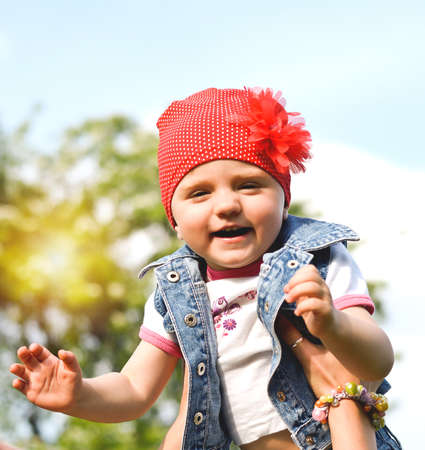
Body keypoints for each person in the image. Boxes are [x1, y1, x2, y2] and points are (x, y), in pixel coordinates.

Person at [9, 87, 401, 449]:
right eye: (199, 193)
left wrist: (333, 323)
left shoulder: (317, 259)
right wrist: (80, 396)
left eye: (249, 185)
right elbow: (133, 389)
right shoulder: (175, 291)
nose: (227, 205)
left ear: (284, 202)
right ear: (174, 222)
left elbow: (377, 359)